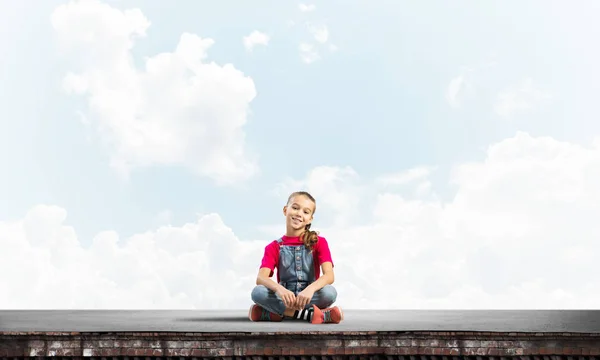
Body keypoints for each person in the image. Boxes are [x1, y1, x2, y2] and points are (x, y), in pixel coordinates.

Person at [249, 191, 343, 324]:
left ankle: (276, 313)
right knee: (258, 292)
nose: (299, 214)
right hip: (284, 296)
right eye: (295, 208)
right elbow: (261, 278)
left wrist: (310, 289)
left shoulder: (319, 242)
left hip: (309, 296)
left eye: (306, 212)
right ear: (285, 210)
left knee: (329, 293)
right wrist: (279, 289)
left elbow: (329, 276)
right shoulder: (274, 246)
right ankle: (310, 315)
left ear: (310, 218)